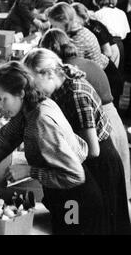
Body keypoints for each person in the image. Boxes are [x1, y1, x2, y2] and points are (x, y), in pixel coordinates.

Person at [0, 61, 106, 235]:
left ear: (20, 93)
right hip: (63, 195)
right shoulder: (30, 108)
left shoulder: (41, 121)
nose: (0, 105)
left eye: (2, 99)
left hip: (75, 199)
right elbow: (4, 139)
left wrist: (30, 171)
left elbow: (74, 176)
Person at [23, 49, 131, 234]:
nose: (32, 88)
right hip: (83, 161)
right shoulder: (59, 88)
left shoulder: (76, 94)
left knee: (98, 225)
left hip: (99, 163)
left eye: (33, 82)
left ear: (49, 74)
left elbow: (92, 150)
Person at [40, 29, 131, 201]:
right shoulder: (70, 70)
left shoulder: (75, 90)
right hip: (108, 128)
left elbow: (92, 149)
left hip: (99, 146)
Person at [46, 2, 122, 108]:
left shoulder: (78, 39)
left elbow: (71, 68)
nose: (52, 28)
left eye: (54, 25)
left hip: (105, 79)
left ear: (64, 21)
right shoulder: (74, 31)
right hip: (99, 74)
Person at [93, 0, 130, 77]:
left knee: (105, 74)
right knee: (117, 75)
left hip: (106, 44)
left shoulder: (98, 13)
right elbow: (125, 32)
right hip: (120, 45)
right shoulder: (121, 12)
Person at [72, 2, 118, 67]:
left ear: (81, 16)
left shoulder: (94, 27)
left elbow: (108, 52)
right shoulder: (91, 23)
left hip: (111, 55)